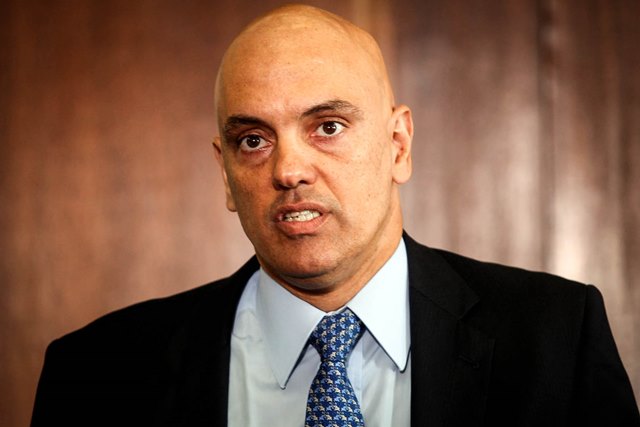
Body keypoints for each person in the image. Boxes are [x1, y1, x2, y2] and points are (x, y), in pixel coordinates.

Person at [31, 4, 639, 427]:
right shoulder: (96, 374)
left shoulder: (556, 339)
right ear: (225, 173)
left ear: (398, 145)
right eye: (252, 140)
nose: (288, 170)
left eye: (327, 126)